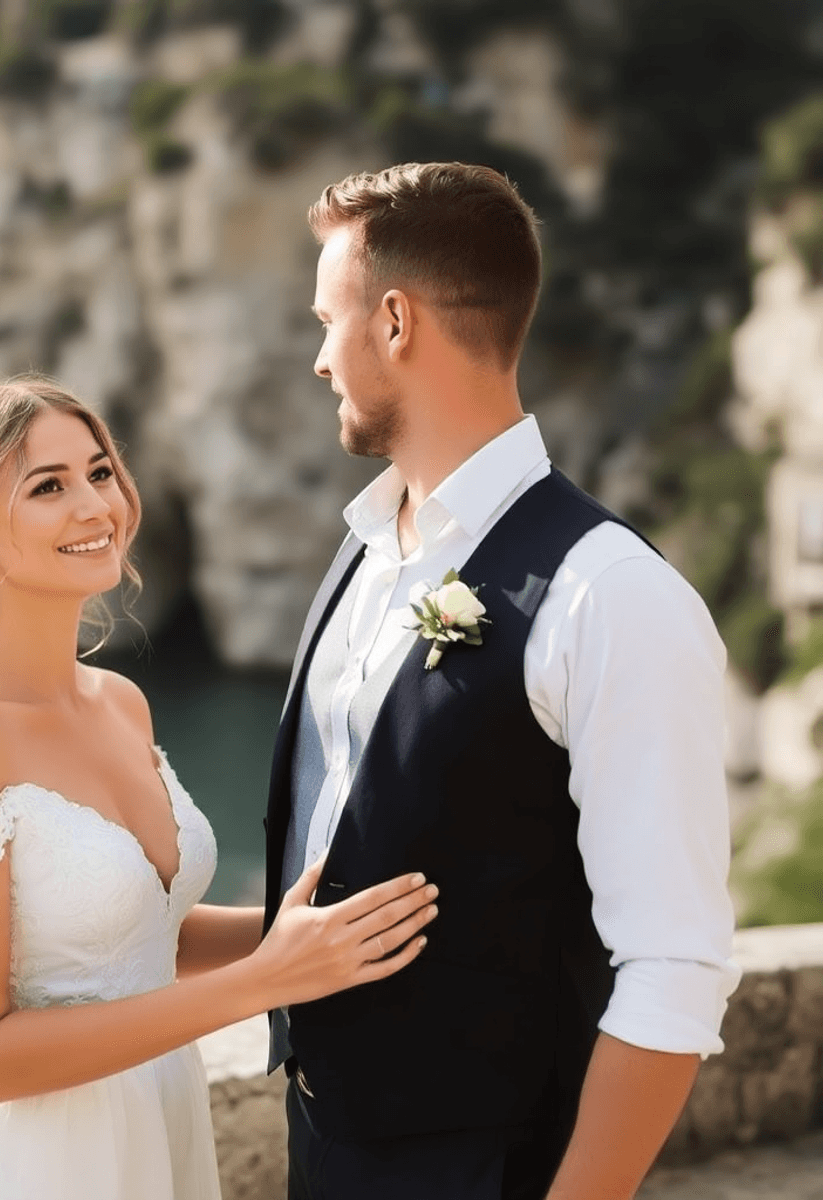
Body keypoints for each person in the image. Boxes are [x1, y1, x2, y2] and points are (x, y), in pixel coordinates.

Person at [264, 163, 740, 1200]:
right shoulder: (361, 551)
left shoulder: (610, 594)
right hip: (323, 1151)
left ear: (396, 322)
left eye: (329, 321)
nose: (318, 358)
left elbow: (674, 968)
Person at [0, 377, 439, 1199]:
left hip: (159, 1123)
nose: (96, 506)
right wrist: (264, 981)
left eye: (99, 472)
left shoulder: (119, 702)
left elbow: (136, 930)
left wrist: (320, 929)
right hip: (35, 1164)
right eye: (48, 487)